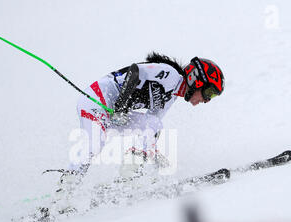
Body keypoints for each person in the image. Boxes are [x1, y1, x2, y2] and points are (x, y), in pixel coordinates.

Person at [54, 52, 225, 213]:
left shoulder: (171, 96)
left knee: (155, 124)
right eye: (209, 93)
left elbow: (151, 128)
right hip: (96, 101)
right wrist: (121, 106)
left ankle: (127, 178)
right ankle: (63, 196)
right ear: (197, 80)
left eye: (213, 96)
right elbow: (135, 71)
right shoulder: (170, 74)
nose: (207, 100)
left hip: (114, 114)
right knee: (95, 144)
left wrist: (156, 157)